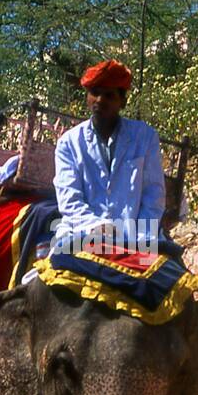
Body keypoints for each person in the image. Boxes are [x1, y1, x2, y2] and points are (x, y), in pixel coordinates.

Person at [53, 59, 167, 255]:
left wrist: (139, 241)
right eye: (95, 93)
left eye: (108, 95)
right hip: (82, 234)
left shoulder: (145, 137)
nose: (100, 100)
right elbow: (69, 200)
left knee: (165, 279)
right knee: (58, 278)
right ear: (87, 97)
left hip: (138, 237)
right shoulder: (69, 143)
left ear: (122, 101)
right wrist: (96, 227)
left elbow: (153, 195)